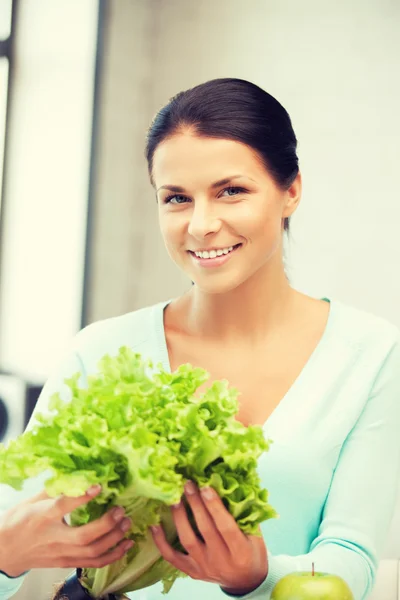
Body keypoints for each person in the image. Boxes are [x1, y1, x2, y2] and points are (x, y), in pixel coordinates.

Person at [0, 77, 399, 600]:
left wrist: (257, 578)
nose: (201, 224)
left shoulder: (372, 353)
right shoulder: (98, 352)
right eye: (177, 198)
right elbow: (21, 531)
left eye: (231, 191)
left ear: (291, 191)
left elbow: (352, 556)